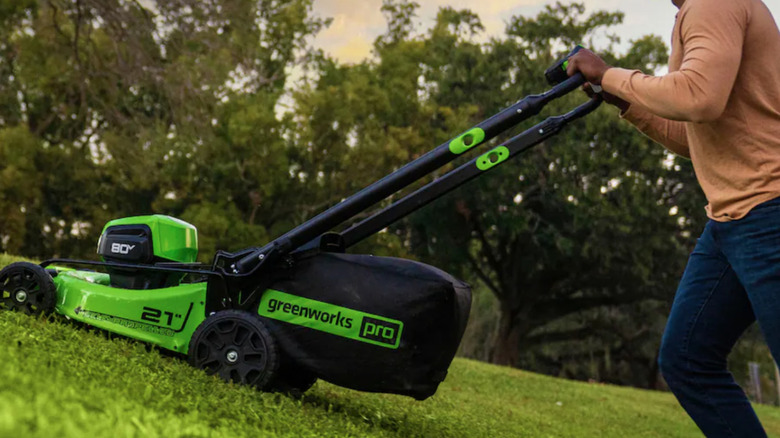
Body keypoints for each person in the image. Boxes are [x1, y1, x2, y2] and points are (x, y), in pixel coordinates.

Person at [565, 0, 780, 436]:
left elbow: (698, 97)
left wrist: (609, 73)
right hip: (731, 220)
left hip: (768, 212)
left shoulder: (712, 4)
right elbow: (695, 135)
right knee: (687, 358)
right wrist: (622, 99)